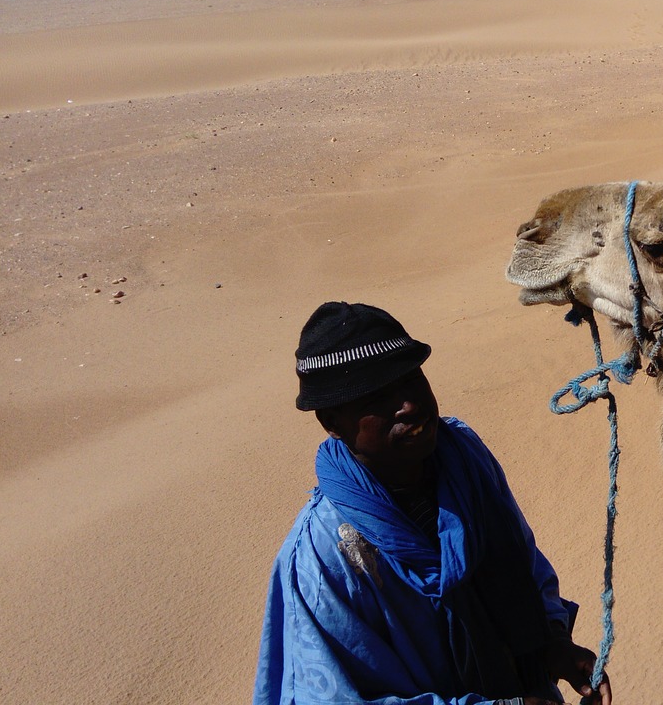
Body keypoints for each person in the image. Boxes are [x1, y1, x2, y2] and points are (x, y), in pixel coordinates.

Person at [254, 301, 612, 705]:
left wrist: (552, 641)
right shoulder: (323, 554)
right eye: (378, 397)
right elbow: (335, 696)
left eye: (412, 379)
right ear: (331, 422)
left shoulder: (464, 457)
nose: (409, 405)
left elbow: (524, 559)